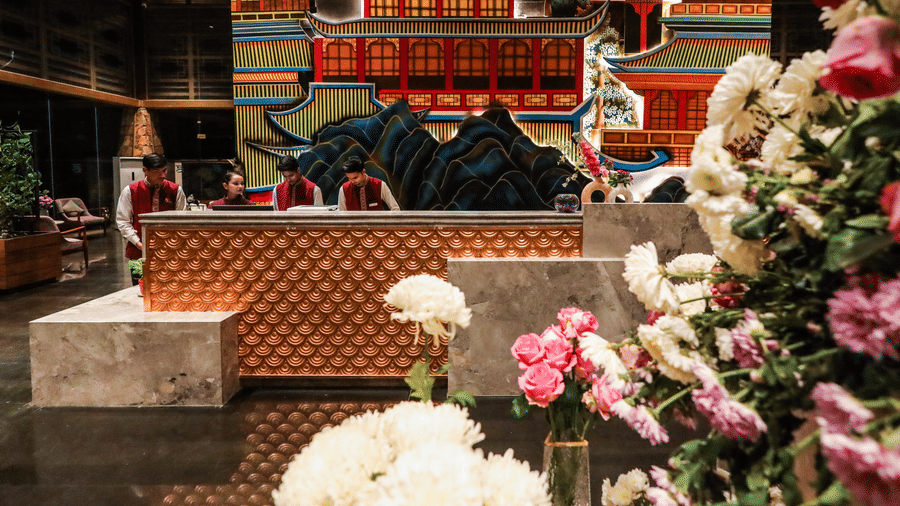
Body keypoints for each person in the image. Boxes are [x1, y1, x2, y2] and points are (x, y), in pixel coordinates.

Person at [116, 153, 186, 262]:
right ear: (145, 170)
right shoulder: (130, 191)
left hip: (169, 250)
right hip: (138, 249)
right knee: (139, 279)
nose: (162, 175)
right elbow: (123, 221)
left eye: (164, 170)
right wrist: (138, 243)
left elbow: (182, 220)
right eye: (156, 172)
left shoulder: (175, 190)